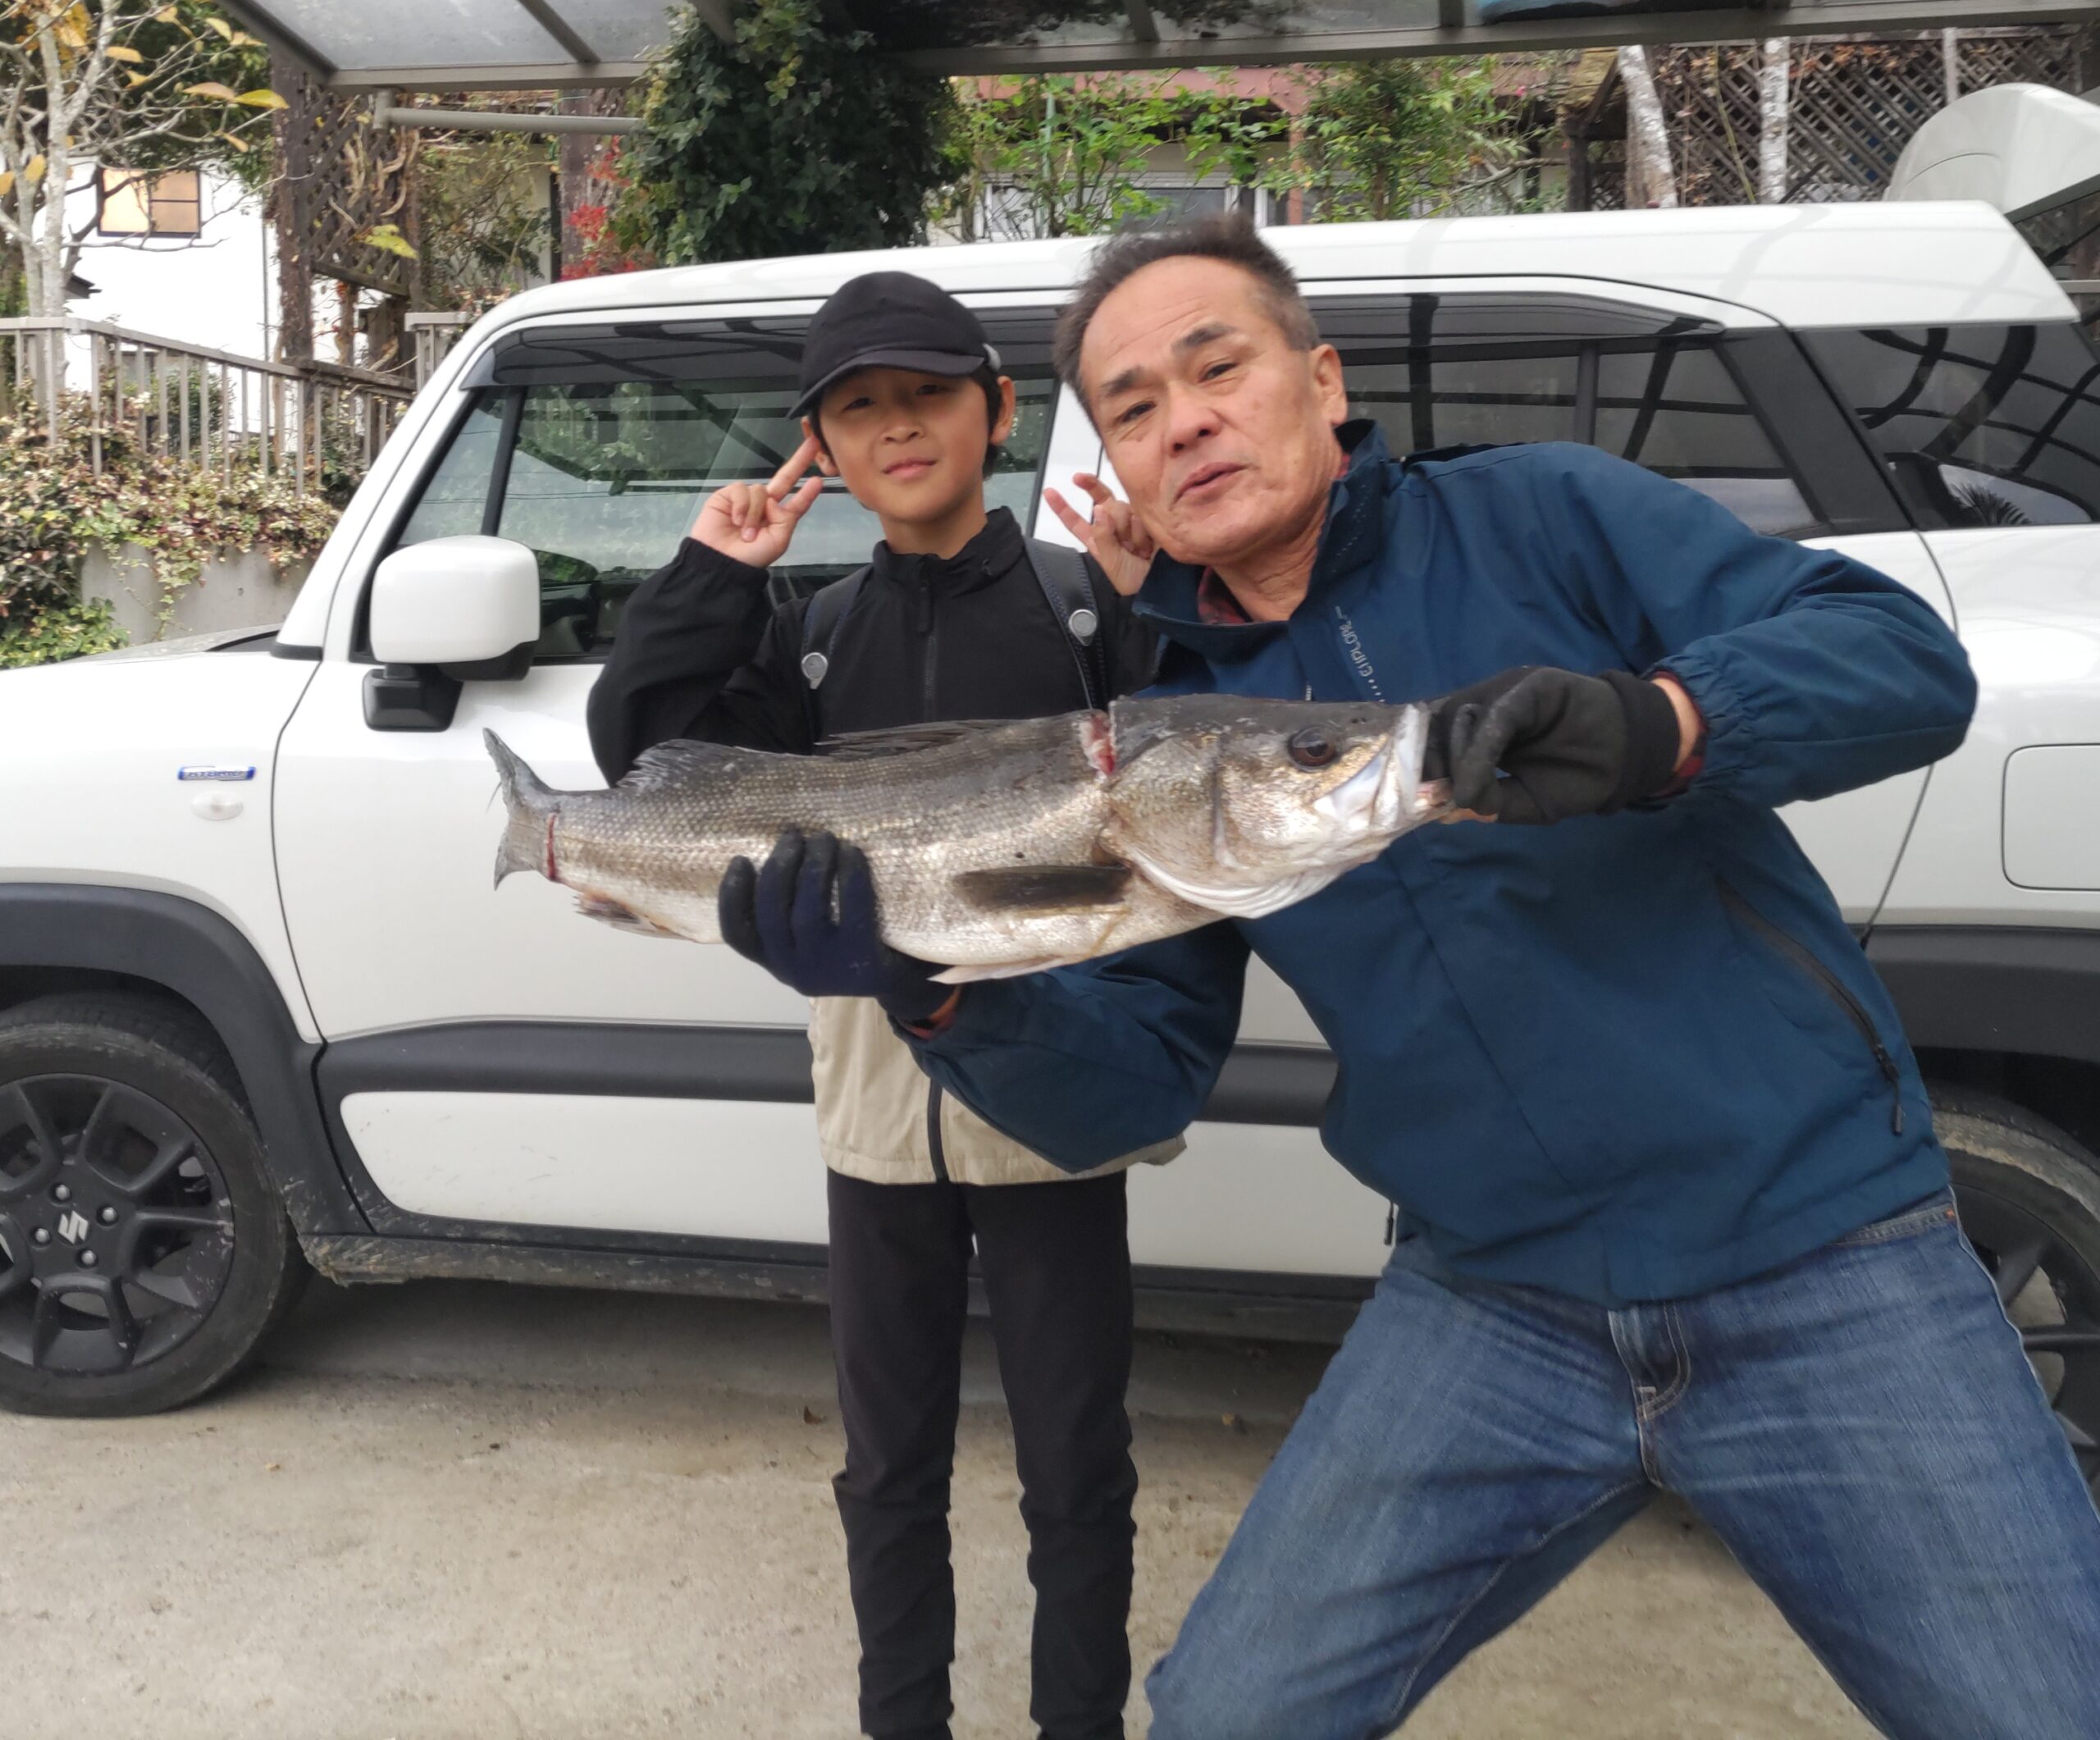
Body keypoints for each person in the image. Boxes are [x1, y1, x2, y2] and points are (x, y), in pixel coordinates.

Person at [714, 214, 2100, 1740]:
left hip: (1825, 1259)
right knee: (1230, 1714)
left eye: (1216, 365)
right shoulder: (1179, 729)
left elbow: (1901, 656)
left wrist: (1666, 721)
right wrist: (937, 996)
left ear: (1321, 379)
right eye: (1131, 407)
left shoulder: (1542, 513)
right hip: (1494, 1301)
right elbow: (1129, 1079)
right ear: (1109, 465)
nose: (1184, 420)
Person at [587, 270, 1163, 1740]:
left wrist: (1166, 610)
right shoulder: (813, 629)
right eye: (859, 408)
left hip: (1046, 1100)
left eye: (927, 396)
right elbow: (648, 760)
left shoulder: (1086, 607)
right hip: (873, 1107)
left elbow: (1199, 775)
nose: (898, 428)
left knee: (1076, 1467)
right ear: (820, 450)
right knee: (886, 1465)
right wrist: (716, 572)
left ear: (1001, 413)